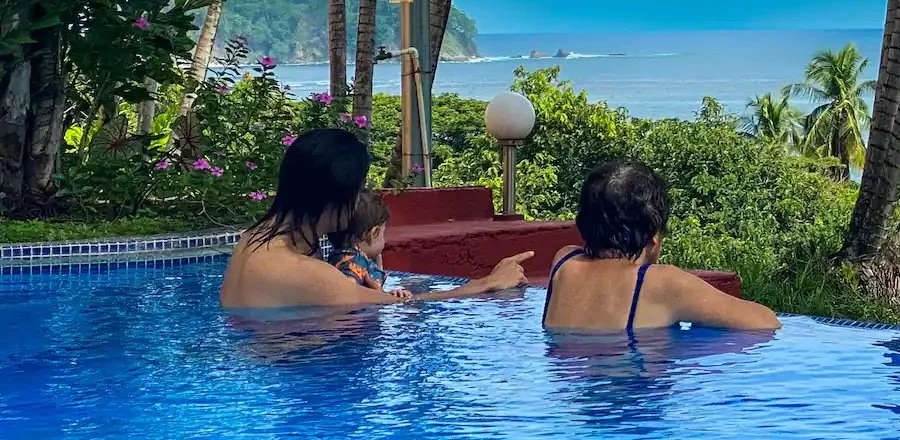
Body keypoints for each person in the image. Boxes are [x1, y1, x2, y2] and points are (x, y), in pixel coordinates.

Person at [220, 128, 532, 310]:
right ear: (334, 196)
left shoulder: (254, 238)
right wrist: (490, 283)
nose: (360, 199)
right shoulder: (306, 273)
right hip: (302, 374)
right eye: (357, 189)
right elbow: (402, 306)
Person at [542, 160, 780, 333]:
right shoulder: (658, 282)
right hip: (633, 395)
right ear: (653, 237)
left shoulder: (563, 262)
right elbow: (765, 322)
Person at [325, 190, 410, 300]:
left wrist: (388, 293)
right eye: (383, 233)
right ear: (374, 233)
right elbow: (346, 294)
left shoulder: (342, 257)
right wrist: (383, 297)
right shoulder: (353, 262)